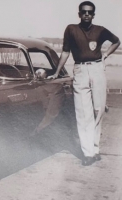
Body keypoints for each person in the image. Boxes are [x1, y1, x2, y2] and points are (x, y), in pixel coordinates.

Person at [48, 1, 120, 166]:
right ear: (79, 14)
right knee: (83, 113)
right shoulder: (71, 29)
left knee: (98, 110)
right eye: (84, 12)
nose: (86, 14)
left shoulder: (100, 30)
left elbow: (116, 41)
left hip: (97, 70)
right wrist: (57, 72)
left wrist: (105, 56)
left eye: (90, 12)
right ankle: (88, 153)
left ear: (93, 15)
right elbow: (65, 51)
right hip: (80, 71)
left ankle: (95, 149)